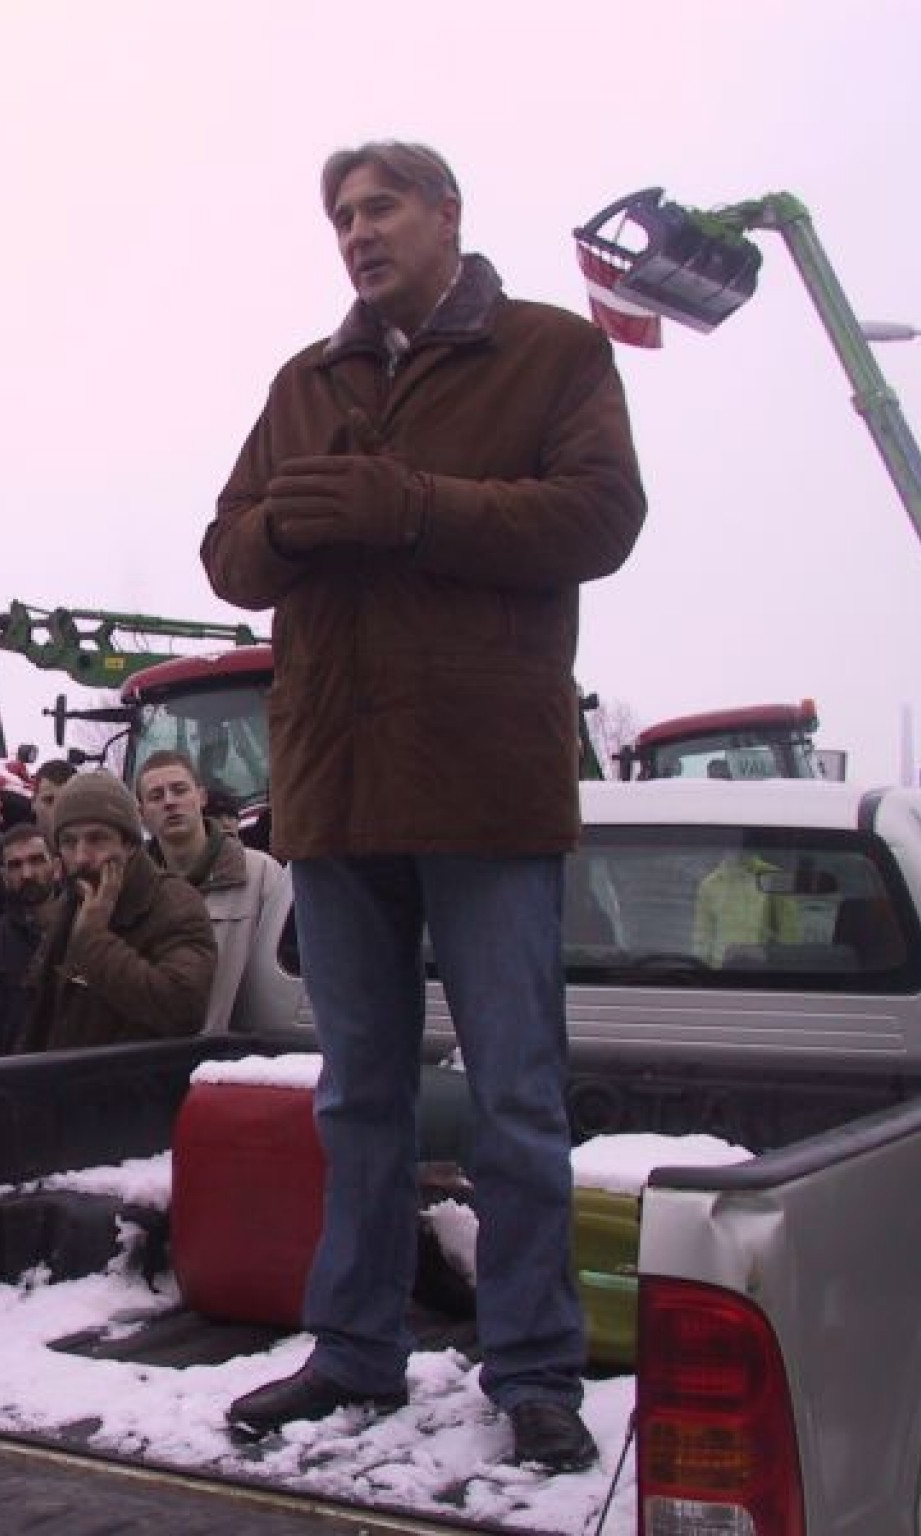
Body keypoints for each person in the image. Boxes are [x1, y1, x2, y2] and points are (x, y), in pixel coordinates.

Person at [200, 142, 645, 1471]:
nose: (356, 230)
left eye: (380, 205)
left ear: (449, 215)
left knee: (514, 1098)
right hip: (334, 789)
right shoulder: (305, 381)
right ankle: (352, 1353)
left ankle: (533, 1368)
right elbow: (226, 553)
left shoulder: (551, 354)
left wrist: (409, 508)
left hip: (484, 784)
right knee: (360, 1098)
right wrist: (285, 528)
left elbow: (602, 520)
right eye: (341, 214)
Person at [21, 773, 214, 1051]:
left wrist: (95, 941)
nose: (81, 857)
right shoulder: (71, 902)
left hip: (134, 1086)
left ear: (130, 843)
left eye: (97, 839)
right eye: (69, 842)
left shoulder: (174, 904)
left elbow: (183, 1008)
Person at [136, 749, 293, 1035]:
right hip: (156, 1061)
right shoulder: (132, 893)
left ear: (201, 797)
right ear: (142, 813)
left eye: (179, 790)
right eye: (156, 796)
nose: (170, 801)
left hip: (237, 1061)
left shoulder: (260, 875)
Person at [0, 822, 57, 1052]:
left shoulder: (82, 930)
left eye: (36, 860)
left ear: (57, 867)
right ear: (4, 876)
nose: (27, 874)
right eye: (15, 865)